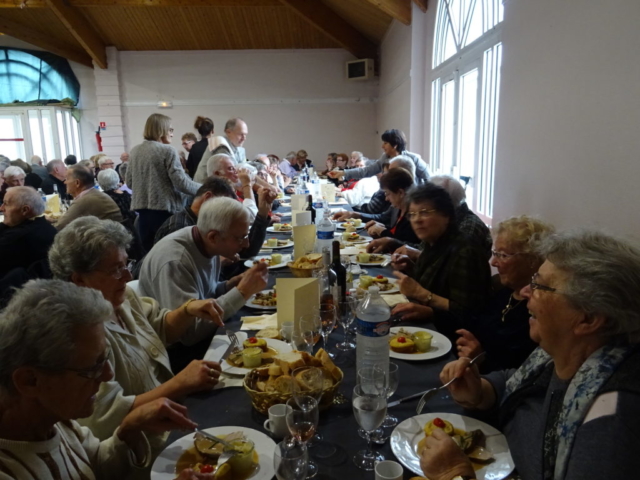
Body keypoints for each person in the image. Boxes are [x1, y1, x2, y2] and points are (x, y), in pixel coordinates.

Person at [422, 230, 640, 480]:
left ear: (588, 319)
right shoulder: (565, 354)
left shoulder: (610, 429)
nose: (526, 291)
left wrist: (454, 474)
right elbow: (521, 386)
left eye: (539, 285)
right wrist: (481, 392)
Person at [48, 217, 225, 460]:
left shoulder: (122, 298)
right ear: (78, 279)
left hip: (176, 417)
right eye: (115, 269)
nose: (128, 275)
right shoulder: (77, 337)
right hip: (141, 451)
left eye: (125, 264)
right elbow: (104, 419)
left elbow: (160, 329)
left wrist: (187, 310)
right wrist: (180, 383)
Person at [0, 278, 204, 480]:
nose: (107, 374)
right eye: (91, 368)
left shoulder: (54, 419)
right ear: (29, 381)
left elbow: (94, 465)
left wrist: (129, 430)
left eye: (104, 358)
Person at [139, 197, 269, 345]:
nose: (246, 243)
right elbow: (189, 334)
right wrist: (241, 292)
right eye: (241, 238)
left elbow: (206, 296)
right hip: (177, 353)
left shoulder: (204, 241)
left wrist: (229, 286)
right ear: (213, 237)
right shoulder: (176, 261)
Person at [390, 183, 491, 339]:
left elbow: (469, 314)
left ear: (446, 216)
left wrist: (420, 293)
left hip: (450, 342)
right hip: (428, 329)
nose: (417, 220)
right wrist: (411, 268)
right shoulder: (433, 242)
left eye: (424, 212)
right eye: (412, 214)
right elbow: (437, 284)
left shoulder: (465, 251)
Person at [456, 215, 554, 373]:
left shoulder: (538, 312)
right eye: (495, 253)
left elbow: (525, 374)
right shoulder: (503, 291)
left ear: (532, 260)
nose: (494, 262)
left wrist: (481, 359)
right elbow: (472, 322)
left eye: (503, 255)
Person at [126, 113, 200, 251]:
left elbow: (130, 183)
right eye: (170, 130)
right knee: (168, 254)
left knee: (149, 257)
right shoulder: (168, 150)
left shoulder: (135, 151)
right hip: (165, 214)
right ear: (161, 130)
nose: (172, 134)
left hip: (142, 216)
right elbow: (181, 183)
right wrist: (204, 188)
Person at [329, 129, 431, 184]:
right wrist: (343, 173)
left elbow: (429, 179)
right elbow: (366, 171)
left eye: (385, 143)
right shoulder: (385, 157)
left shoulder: (414, 158)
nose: (382, 146)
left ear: (395, 145)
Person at [0, 186, 56, 278]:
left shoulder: (15, 238)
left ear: (25, 210)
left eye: (6, 204)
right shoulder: (44, 225)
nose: (1, 208)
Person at [431, 175, 492, 258]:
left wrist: (417, 254)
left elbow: (451, 261)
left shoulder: (469, 226)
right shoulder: (447, 220)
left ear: (443, 203)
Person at [55, 164, 123, 230]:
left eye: (67, 179)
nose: (65, 182)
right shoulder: (93, 194)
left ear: (77, 183)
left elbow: (60, 226)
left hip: (107, 238)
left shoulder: (85, 200)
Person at [363, 168, 420, 245]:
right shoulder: (399, 208)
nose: (386, 199)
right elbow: (397, 235)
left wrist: (383, 232)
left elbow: (410, 246)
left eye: (387, 193)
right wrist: (382, 228)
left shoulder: (414, 215)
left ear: (400, 193)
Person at [194, 118, 248, 182]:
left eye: (245, 135)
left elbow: (244, 169)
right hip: (205, 187)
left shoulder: (238, 147)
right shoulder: (221, 144)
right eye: (241, 134)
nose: (244, 138)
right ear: (228, 132)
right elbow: (234, 175)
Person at [206, 153, 258, 217]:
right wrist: (246, 184)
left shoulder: (230, 190)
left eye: (235, 168)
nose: (236, 171)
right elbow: (250, 216)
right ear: (217, 174)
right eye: (231, 169)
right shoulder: (217, 194)